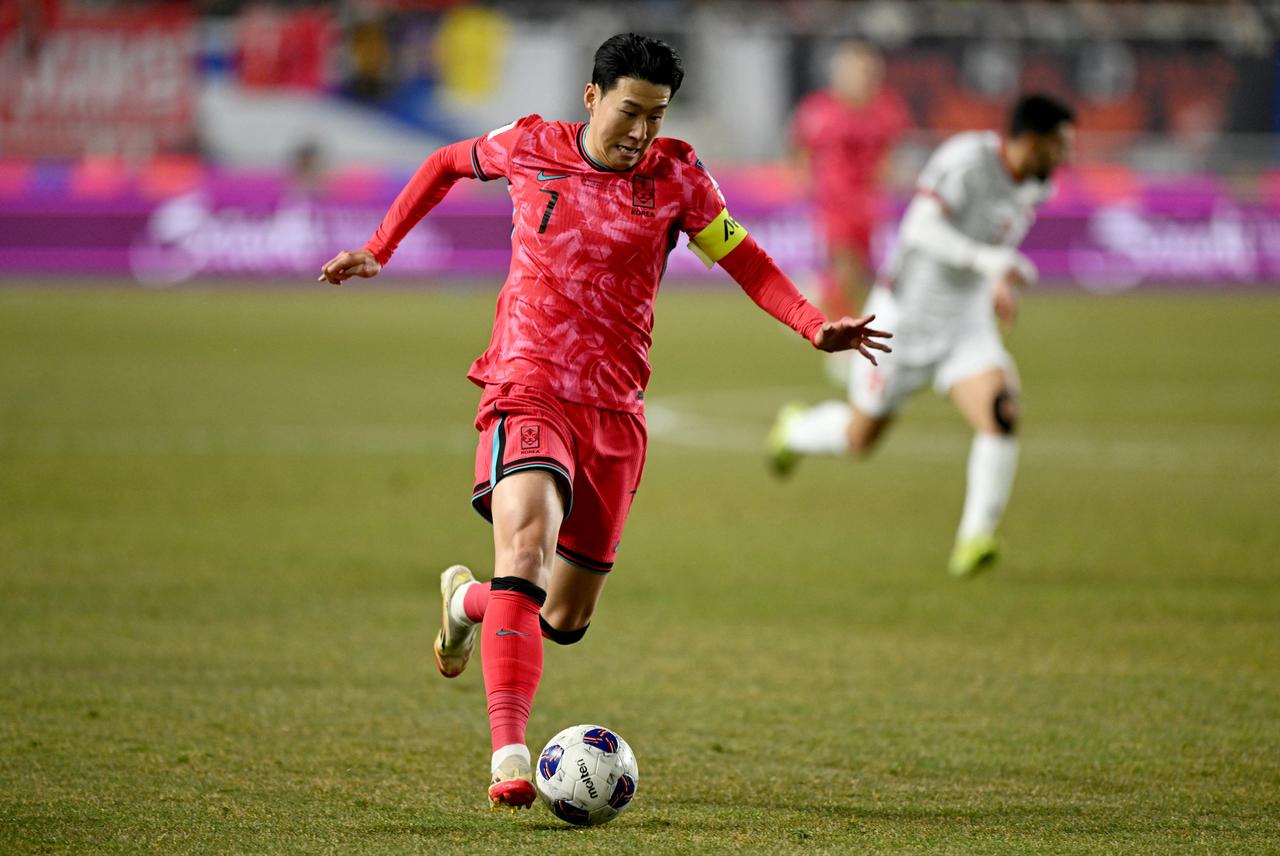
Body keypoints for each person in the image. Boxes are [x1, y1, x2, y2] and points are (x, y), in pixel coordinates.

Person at [318, 33, 891, 810]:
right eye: (630, 112)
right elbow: (445, 163)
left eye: (657, 116)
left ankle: (465, 603)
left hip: (615, 413)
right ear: (592, 98)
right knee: (525, 550)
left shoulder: (679, 177)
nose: (642, 131)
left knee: (561, 615)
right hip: (527, 384)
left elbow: (745, 259)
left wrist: (812, 324)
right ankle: (509, 756)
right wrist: (379, 247)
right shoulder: (530, 146)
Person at [768, 94, 1076, 578]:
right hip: (904, 320)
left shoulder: (1038, 185)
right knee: (859, 439)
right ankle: (795, 431)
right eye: (1061, 145)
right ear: (1034, 141)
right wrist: (985, 261)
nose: (1066, 156)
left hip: (966, 322)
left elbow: (994, 240)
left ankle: (975, 538)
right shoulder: (967, 160)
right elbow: (921, 230)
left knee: (1001, 412)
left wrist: (995, 280)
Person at [789, 40, 910, 324]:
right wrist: (804, 181)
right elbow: (799, 148)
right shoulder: (819, 109)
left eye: (867, 71)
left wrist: (889, 177)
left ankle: (814, 297)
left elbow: (890, 151)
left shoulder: (887, 109)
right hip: (833, 200)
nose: (862, 78)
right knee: (844, 264)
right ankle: (844, 327)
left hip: (868, 201)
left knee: (858, 273)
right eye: (855, 71)